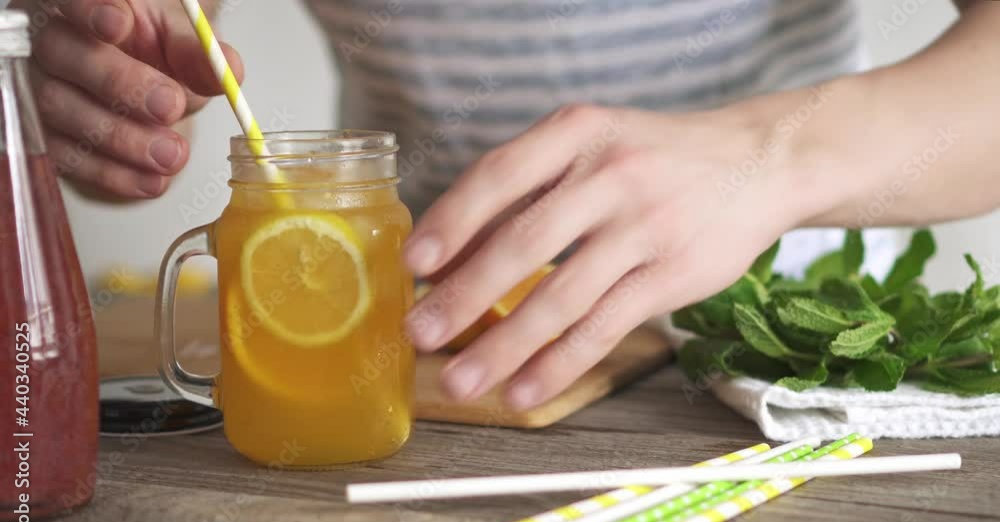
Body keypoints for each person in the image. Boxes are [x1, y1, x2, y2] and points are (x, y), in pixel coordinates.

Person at [19, 0, 1000, 412]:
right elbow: (159, 46)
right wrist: (117, 81)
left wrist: (766, 157)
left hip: (785, 377)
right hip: (432, 371)